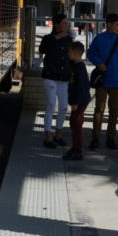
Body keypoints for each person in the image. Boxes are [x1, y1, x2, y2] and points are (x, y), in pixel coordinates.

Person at [87, 12, 118, 151]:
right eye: (117, 25)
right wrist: (98, 62)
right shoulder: (99, 38)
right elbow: (90, 53)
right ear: (109, 24)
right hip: (102, 81)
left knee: (114, 111)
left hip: (116, 81)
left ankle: (111, 137)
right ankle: (96, 138)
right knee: (99, 110)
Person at [39, 13, 72, 148]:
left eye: (67, 24)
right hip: (50, 76)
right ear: (56, 25)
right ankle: (48, 138)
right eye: (64, 24)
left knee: (63, 107)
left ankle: (58, 135)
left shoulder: (69, 39)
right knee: (51, 106)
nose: (66, 26)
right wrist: (55, 39)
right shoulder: (48, 38)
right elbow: (43, 50)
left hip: (64, 77)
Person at [64, 41, 91, 162]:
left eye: (69, 52)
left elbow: (81, 87)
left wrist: (76, 103)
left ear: (75, 53)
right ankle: (75, 147)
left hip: (79, 102)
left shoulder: (80, 68)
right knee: (73, 124)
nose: (67, 54)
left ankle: (78, 151)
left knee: (76, 126)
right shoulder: (76, 65)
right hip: (77, 101)